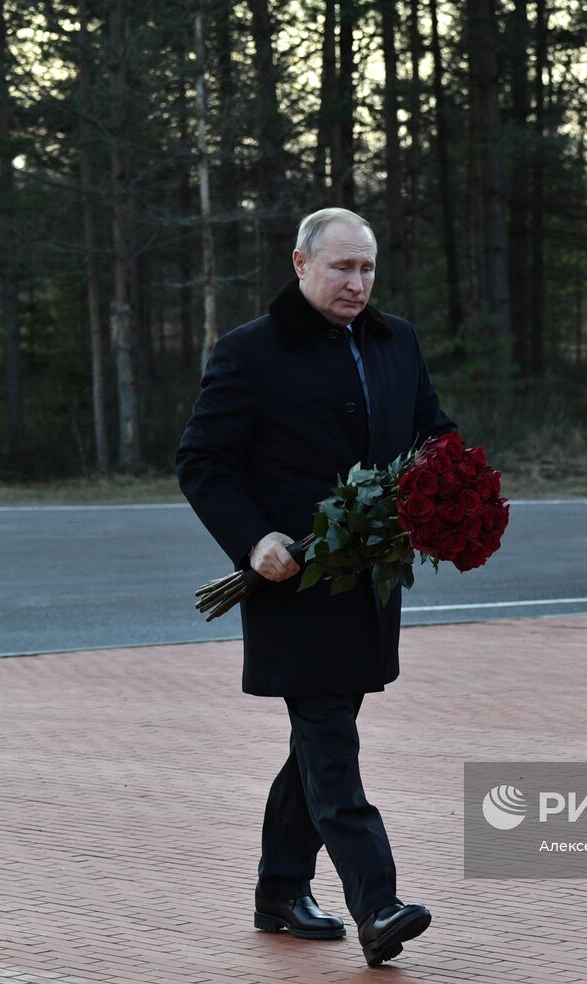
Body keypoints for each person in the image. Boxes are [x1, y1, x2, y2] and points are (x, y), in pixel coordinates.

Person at [176, 208, 449, 967]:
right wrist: (253, 537)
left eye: (366, 269)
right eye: (341, 268)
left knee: (315, 741)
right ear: (300, 264)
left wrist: (456, 496)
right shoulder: (250, 354)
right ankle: (379, 904)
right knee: (331, 742)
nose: (357, 283)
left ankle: (278, 890)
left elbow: (434, 433)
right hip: (293, 582)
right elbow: (202, 461)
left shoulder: (397, 342)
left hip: (368, 581)